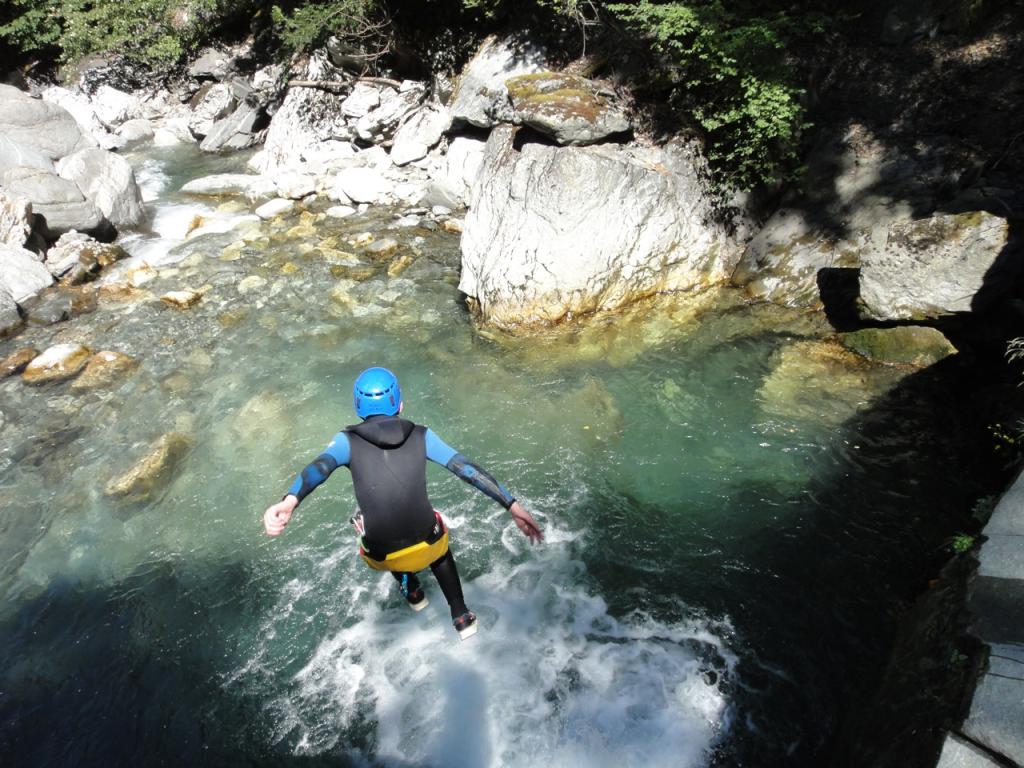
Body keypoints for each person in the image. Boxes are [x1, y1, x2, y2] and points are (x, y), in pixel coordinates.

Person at [263, 366, 543, 640]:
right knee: (436, 532)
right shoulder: (422, 435)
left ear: (358, 406)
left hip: (382, 557)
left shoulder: (345, 441)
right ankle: (461, 615)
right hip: (429, 545)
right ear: (400, 404)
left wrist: (289, 503)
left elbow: (319, 468)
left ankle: (413, 593)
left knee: (362, 519)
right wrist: (513, 507)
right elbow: (466, 469)